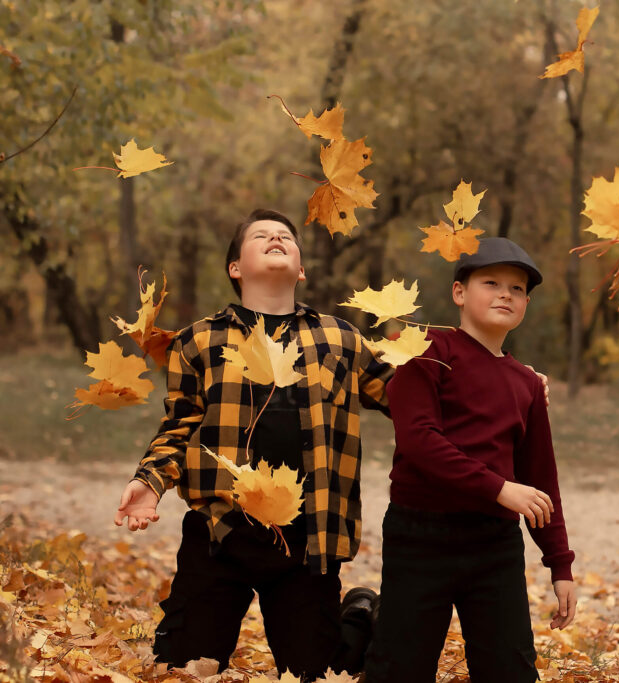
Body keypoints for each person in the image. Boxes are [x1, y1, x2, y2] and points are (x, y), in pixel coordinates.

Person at [113, 208, 392, 680]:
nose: (275, 238)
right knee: (183, 668)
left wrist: (509, 382)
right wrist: (151, 481)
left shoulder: (339, 337)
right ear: (235, 268)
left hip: (309, 537)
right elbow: (180, 424)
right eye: (261, 235)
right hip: (222, 529)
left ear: (301, 268)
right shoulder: (199, 340)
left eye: (285, 236)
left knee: (319, 674)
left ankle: (357, 619)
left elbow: (412, 396)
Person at [364, 237, 577, 683]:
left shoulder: (527, 383)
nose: (505, 294)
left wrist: (560, 564)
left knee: (511, 669)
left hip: (493, 543)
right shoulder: (424, 350)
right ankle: (361, 621)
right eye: (491, 282)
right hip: (420, 534)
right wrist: (500, 488)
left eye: (517, 289)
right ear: (459, 292)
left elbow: (541, 476)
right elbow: (420, 441)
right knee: (400, 668)